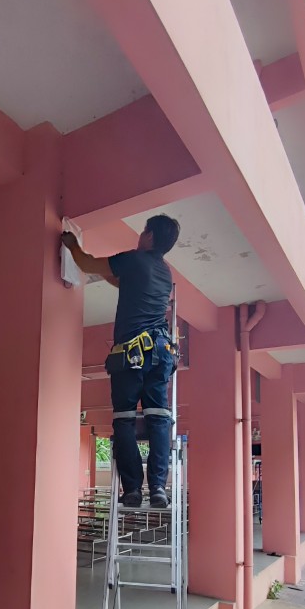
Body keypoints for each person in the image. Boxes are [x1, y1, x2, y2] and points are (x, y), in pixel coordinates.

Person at [62, 215, 180, 508]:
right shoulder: (165, 272)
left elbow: (87, 263)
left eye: (143, 231)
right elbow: (119, 281)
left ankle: (133, 489)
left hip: (131, 355)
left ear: (149, 235)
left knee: (125, 419)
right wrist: (107, 270)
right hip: (160, 354)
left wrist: (72, 244)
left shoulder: (135, 259)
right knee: (159, 418)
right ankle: (158, 488)